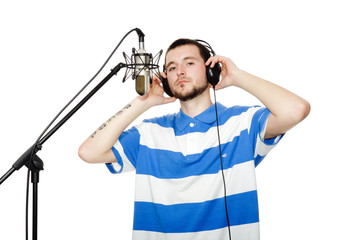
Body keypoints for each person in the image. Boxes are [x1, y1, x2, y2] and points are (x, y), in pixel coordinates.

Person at [78, 38, 310, 240]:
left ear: (212, 71)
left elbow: (296, 109)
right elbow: (89, 152)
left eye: (189, 63)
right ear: (165, 80)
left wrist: (238, 77)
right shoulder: (148, 133)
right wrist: (144, 102)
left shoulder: (242, 123)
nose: (180, 71)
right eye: (171, 67)